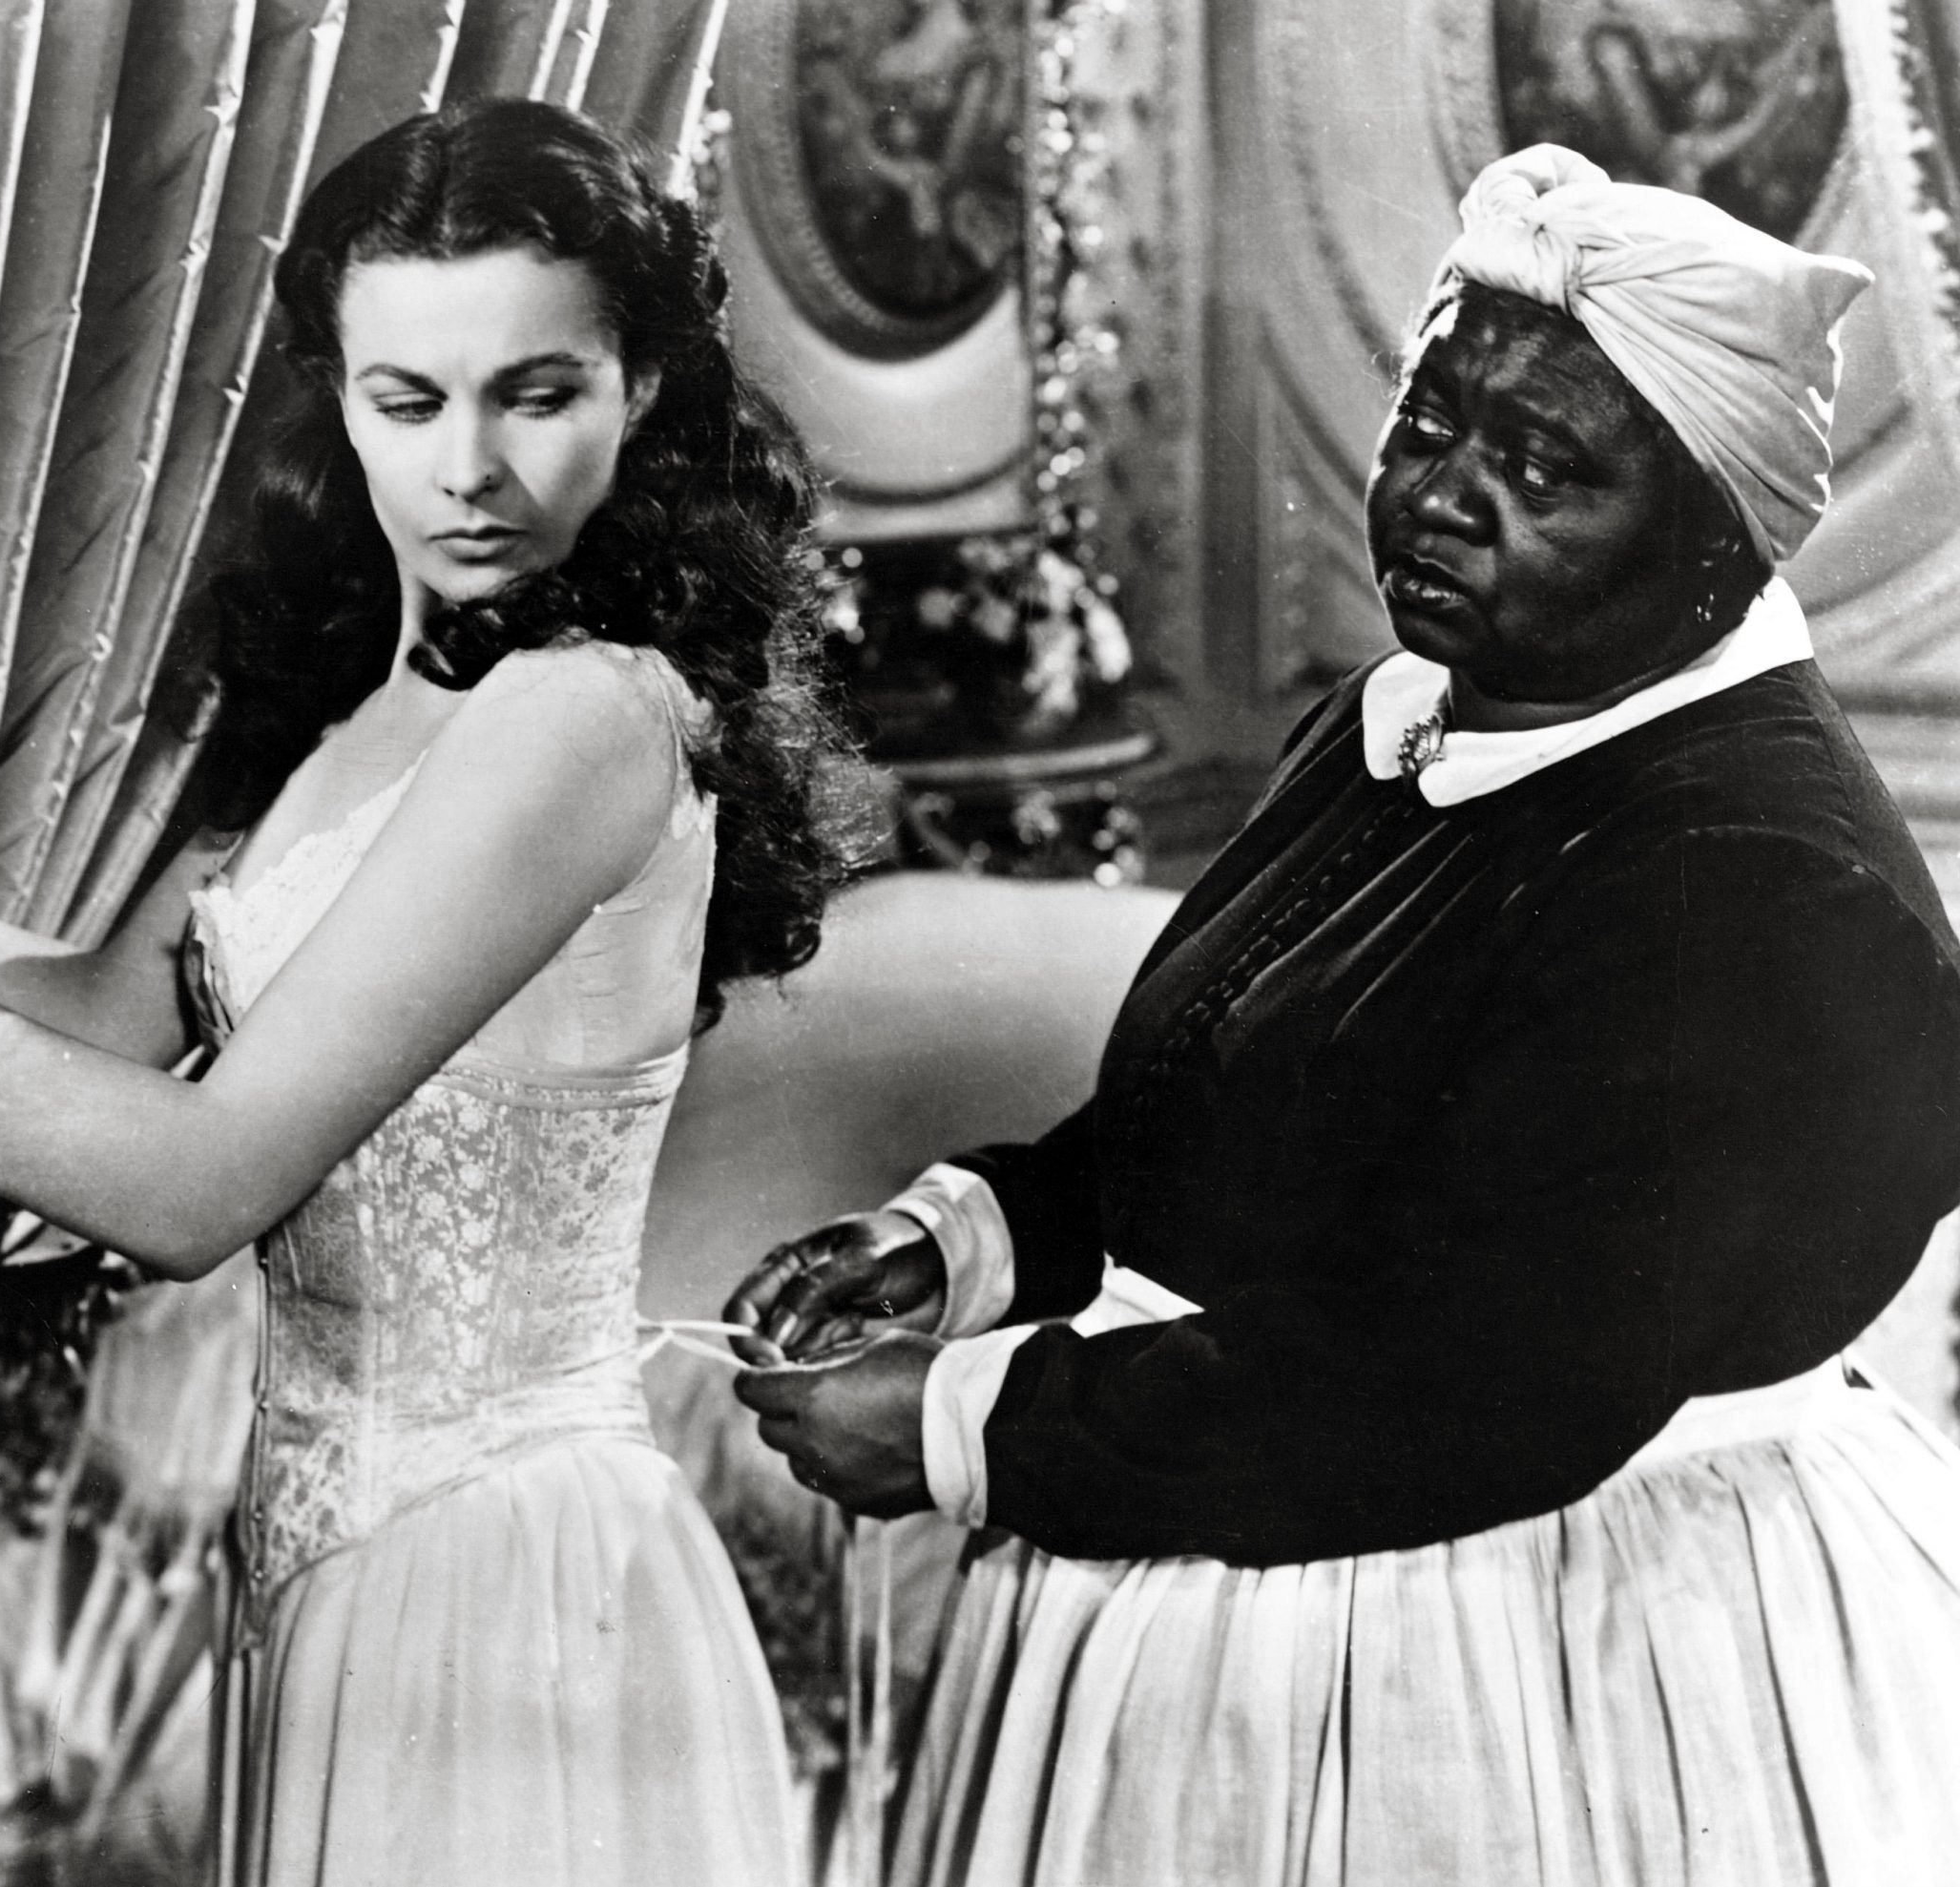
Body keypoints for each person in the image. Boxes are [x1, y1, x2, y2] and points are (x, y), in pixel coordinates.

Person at [0, 99, 849, 1887]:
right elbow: (83, 1013)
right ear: (339, 399)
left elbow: (193, 1186)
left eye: (538, 395)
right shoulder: (355, 695)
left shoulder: (587, 713)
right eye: (408, 400)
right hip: (326, 1561)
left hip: (509, 1590)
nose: (472, 468)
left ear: (646, 390)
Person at [728, 144, 1960, 1884]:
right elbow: (1264, 1106)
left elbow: (1463, 1381)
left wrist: (969, 1422)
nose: (1444, 494)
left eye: (1542, 468)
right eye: (1431, 419)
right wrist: (976, 1238)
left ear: (1716, 544)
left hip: (1539, 1639)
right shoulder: (1419, 714)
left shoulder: (1753, 883)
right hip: (1270, 1516)